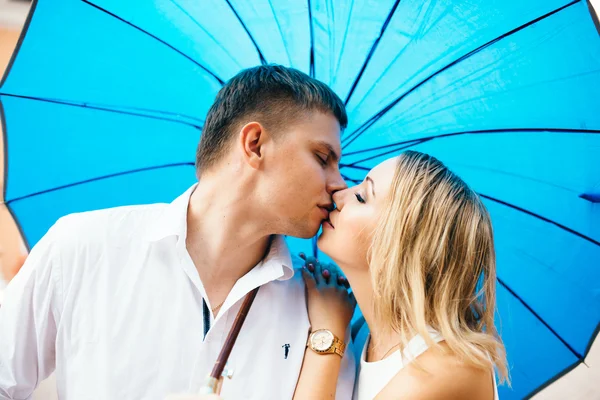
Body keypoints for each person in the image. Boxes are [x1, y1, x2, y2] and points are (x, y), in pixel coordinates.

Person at [0, 65, 356, 399]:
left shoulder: (323, 308)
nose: (339, 185)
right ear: (255, 144)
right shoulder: (82, 247)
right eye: (322, 158)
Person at [295, 151, 509, 399]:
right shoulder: (361, 335)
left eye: (362, 197)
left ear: (405, 243)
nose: (340, 195)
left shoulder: (450, 364)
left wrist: (327, 330)